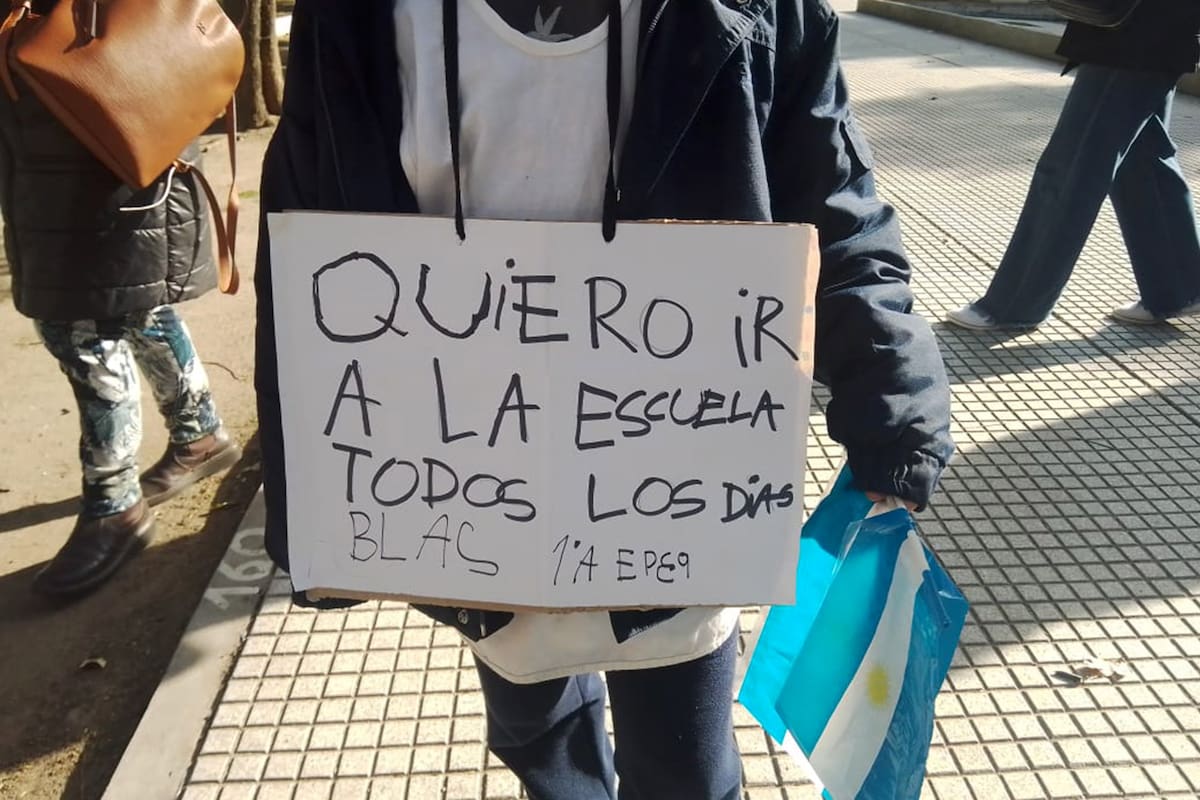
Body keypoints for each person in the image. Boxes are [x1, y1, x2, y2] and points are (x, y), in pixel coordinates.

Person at [256, 1, 954, 797]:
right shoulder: (358, 16)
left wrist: (895, 418)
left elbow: (839, 210)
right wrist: (309, 511)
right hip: (466, 506)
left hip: (678, 514)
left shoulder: (757, 10)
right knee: (541, 741)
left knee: (686, 764)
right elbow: (302, 243)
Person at [0, 11, 242, 597]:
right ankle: (200, 434)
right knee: (135, 309)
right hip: (103, 140)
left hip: (96, 144)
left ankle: (115, 505)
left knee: (81, 327)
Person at [946, 0, 1200, 331]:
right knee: (1142, 160)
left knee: (1074, 162)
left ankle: (1016, 303)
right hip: (1150, 27)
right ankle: (1180, 288)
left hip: (1141, 29)